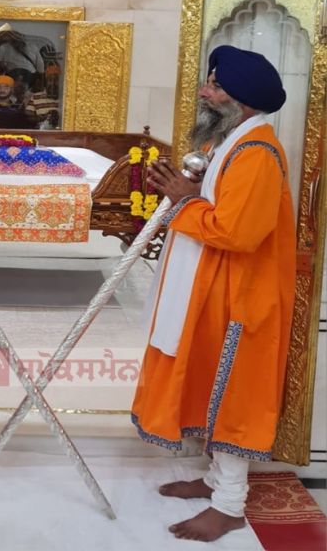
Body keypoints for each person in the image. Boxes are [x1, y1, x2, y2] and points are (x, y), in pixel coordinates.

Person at [131, 45, 295, 543]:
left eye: (216, 86)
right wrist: (190, 192)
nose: (205, 91)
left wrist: (183, 200)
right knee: (212, 388)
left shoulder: (257, 154)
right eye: (210, 82)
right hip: (218, 291)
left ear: (241, 101)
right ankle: (212, 481)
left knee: (233, 399)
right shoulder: (233, 144)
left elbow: (239, 232)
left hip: (242, 300)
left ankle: (229, 507)